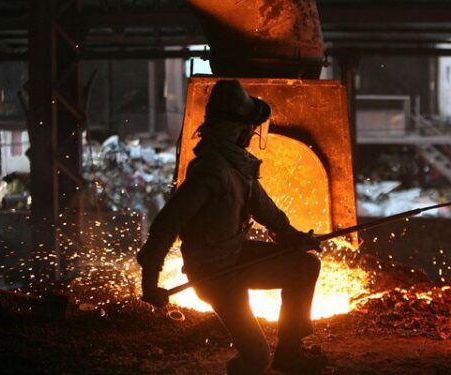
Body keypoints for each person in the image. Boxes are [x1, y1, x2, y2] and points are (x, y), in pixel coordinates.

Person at [136, 80, 327, 374]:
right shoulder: (212, 171)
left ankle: (290, 353)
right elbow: (166, 224)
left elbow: (269, 213)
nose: (251, 133)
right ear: (236, 128)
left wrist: (295, 238)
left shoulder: (238, 169)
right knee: (256, 359)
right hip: (215, 275)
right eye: (249, 126)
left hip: (236, 259)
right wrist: (150, 281)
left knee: (304, 266)